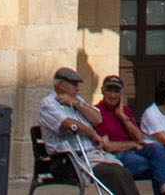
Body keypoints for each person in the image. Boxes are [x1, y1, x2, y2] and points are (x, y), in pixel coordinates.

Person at [37, 66, 141, 194]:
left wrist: (77, 104)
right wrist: (92, 133)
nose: (78, 89)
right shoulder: (48, 103)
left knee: (124, 173)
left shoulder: (78, 100)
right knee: (113, 173)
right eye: (74, 85)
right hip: (69, 159)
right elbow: (69, 124)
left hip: (91, 155)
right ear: (62, 85)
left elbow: (97, 119)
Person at [96, 74, 165, 195]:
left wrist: (122, 117)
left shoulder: (124, 110)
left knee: (157, 149)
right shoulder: (97, 112)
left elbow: (140, 138)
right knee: (158, 165)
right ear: (102, 91)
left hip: (134, 150)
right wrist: (132, 144)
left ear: (121, 94)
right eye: (109, 90)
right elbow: (108, 146)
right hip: (116, 155)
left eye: (116, 91)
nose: (112, 95)